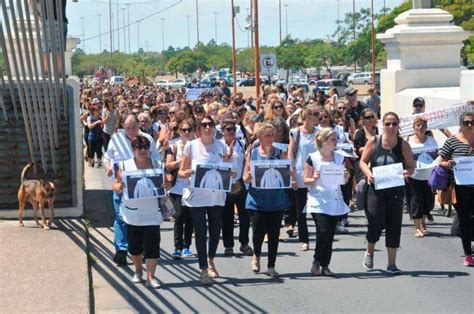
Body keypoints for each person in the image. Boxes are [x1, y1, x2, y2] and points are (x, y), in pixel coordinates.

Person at [178, 115, 232, 285]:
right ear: (198, 129)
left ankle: (210, 260)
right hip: (197, 197)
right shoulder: (191, 146)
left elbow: (225, 168)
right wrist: (184, 173)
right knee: (201, 232)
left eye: (210, 124)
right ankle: (203, 270)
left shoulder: (221, 145)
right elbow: (181, 170)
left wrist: (230, 174)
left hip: (216, 196)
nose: (208, 127)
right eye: (204, 125)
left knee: (215, 231)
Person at [359, 112, 414, 275]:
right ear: (383, 124)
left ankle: (392, 264)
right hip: (375, 190)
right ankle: (369, 251)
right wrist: (369, 174)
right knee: (375, 222)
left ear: (398, 126)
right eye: (388, 124)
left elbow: (411, 166)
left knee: (394, 224)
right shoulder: (374, 142)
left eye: (394, 124)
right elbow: (362, 161)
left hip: (395, 191)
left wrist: (407, 173)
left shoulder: (403, 145)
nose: (391, 127)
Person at [104, 115, 160, 266]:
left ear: (139, 126)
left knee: (140, 221)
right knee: (120, 217)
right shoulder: (116, 139)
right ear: (122, 126)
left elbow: (156, 159)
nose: (131, 131)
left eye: (134, 127)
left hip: (143, 189)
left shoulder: (147, 139)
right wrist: (108, 167)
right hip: (121, 186)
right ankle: (121, 250)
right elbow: (107, 157)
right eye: (128, 128)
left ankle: (139, 251)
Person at [112, 135, 164, 289]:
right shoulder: (125, 165)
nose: (143, 151)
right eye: (139, 148)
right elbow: (115, 184)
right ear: (133, 150)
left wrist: (165, 183)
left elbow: (167, 182)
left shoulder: (157, 164)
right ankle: (138, 270)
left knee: (152, 247)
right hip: (132, 214)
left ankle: (150, 277)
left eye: (146, 148)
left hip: (152, 213)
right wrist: (120, 187)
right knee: (134, 247)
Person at [243, 123, 291, 278]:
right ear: (260, 137)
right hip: (257, 200)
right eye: (267, 135)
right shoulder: (253, 153)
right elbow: (245, 176)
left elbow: (287, 173)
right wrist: (249, 177)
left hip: (276, 200)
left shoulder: (280, 152)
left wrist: (289, 175)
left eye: (272, 134)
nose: (270, 138)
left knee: (274, 233)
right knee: (258, 233)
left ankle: (271, 265)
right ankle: (256, 255)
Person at [304, 128, 351, 277]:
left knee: (330, 233)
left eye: (336, 138)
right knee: (322, 230)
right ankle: (316, 261)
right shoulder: (312, 158)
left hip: (334, 199)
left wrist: (346, 175)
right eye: (332, 139)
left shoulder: (340, 158)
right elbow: (306, 180)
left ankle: (326, 265)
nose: (336, 141)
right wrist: (315, 178)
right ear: (323, 141)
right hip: (318, 200)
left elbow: (344, 180)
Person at [439, 111, 474, 266]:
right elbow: (441, 161)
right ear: (461, 124)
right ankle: (468, 254)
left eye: (472, 122)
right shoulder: (452, 141)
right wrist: (447, 164)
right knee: (465, 220)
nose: (469, 125)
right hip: (460, 188)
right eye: (466, 122)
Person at [287, 104, 320, 250]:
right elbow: (291, 153)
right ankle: (304, 239)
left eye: (317, 113)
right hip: (300, 173)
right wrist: (292, 175)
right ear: (305, 116)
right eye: (312, 113)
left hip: (317, 176)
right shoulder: (295, 132)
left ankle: (322, 237)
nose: (316, 116)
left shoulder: (320, 133)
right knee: (301, 209)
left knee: (317, 208)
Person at [220, 119, 253, 257]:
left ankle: (244, 243)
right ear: (222, 131)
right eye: (228, 129)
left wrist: (247, 166)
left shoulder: (242, 144)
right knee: (226, 217)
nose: (231, 132)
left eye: (234, 129)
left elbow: (247, 161)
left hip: (240, 182)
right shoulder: (218, 146)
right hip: (224, 183)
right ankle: (228, 245)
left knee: (244, 216)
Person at [166, 119, 195, 259]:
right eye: (184, 130)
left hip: (191, 187)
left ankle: (187, 247)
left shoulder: (197, 146)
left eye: (189, 129)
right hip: (177, 187)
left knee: (189, 218)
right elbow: (168, 165)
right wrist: (182, 160)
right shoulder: (174, 146)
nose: (187, 132)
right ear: (179, 131)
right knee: (178, 217)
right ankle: (178, 247)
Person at [407, 116, 438, 237]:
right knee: (416, 200)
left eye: (423, 125)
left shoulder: (431, 140)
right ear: (413, 127)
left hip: (429, 176)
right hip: (414, 176)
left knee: (428, 201)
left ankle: (423, 222)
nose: (420, 127)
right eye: (418, 125)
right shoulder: (408, 141)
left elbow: (437, 155)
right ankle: (418, 227)